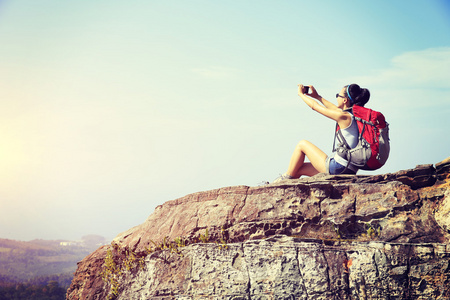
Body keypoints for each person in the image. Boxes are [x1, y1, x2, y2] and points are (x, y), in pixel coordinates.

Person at [273, 83, 370, 183]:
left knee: (302, 144)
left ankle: (282, 181)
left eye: (338, 95)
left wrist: (301, 94)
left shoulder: (344, 116)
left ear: (345, 100)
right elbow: (333, 108)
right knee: (299, 169)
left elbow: (315, 106)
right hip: (349, 169)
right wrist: (318, 97)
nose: (337, 98)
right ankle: (283, 181)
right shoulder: (354, 116)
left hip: (338, 167)